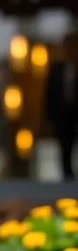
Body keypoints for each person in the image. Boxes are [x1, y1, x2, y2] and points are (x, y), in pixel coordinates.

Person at [45, 33, 78, 179]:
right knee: (65, 146)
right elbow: (50, 94)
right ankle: (67, 176)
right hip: (63, 115)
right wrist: (49, 117)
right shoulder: (57, 69)